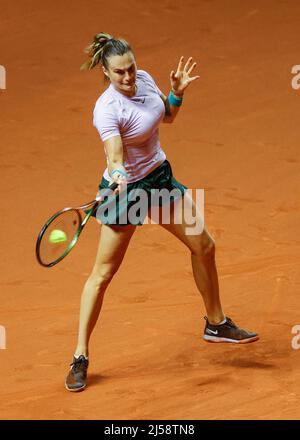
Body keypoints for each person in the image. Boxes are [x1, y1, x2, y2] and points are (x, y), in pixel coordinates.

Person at [65, 32, 258, 392]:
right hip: (128, 193)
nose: (128, 77)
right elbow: (115, 156)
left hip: (160, 179)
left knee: (205, 245)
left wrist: (177, 93)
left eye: (131, 68)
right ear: (106, 73)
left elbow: (166, 117)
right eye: (119, 72)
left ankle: (216, 323)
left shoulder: (146, 78)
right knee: (102, 275)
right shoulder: (107, 109)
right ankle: (80, 355)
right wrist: (120, 175)